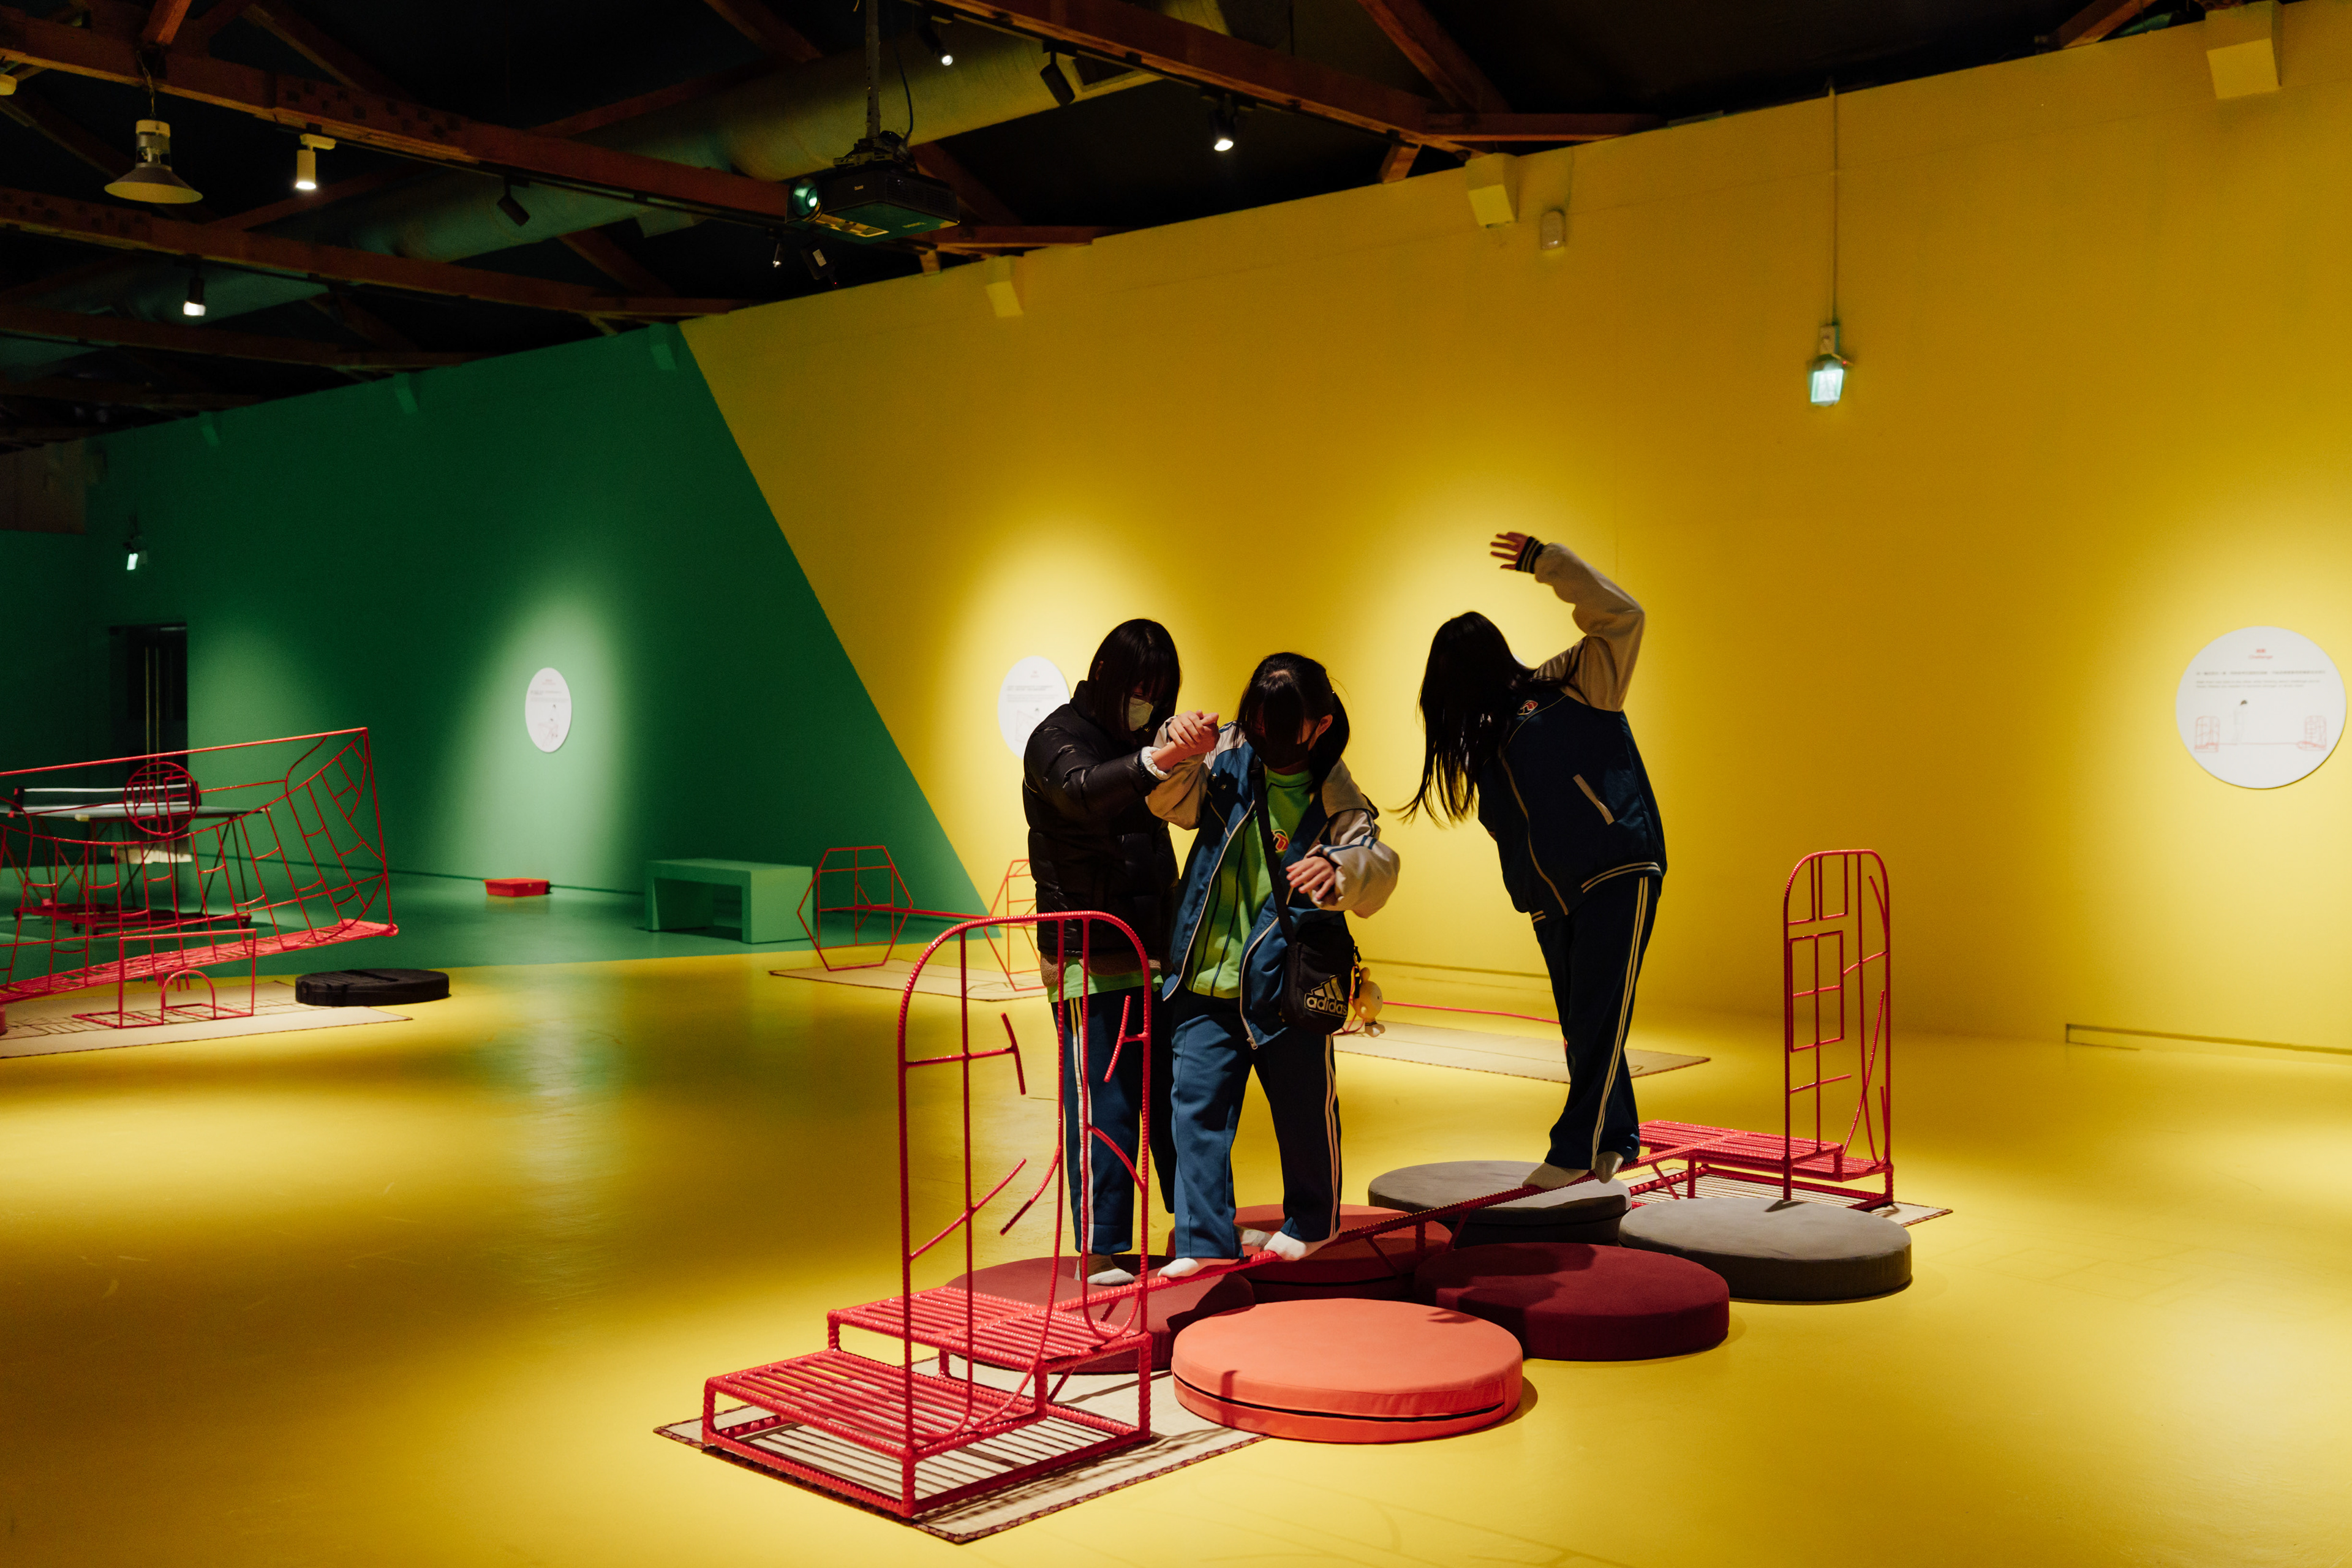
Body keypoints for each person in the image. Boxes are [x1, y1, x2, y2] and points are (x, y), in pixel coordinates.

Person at [1401, 532, 1666, 1191]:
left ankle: (1574, 1148)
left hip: (1616, 870)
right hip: (1553, 901)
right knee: (1584, 1024)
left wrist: (1547, 562)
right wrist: (1533, 899)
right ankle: (1616, 1136)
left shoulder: (1572, 684)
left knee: (1599, 1017)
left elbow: (1624, 617)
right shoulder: (1487, 743)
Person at [1147, 654, 1399, 1278]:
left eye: (1282, 728)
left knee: (1303, 1107)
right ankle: (1205, 1239)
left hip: (1286, 984)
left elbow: (1379, 865)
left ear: (1321, 725)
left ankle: (1313, 1221)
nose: (1266, 740)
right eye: (1257, 723)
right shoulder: (1227, 752)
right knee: (1193, 1110)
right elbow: (1172, 806)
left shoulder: (1339, 799)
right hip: (1202, 973)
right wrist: (1176, 745)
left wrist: (1341, 869)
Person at [1022, 620, 1219, 1286]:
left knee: (1176, 1097)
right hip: (1087, 952)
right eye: (1141, 688)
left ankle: (1196, 1227)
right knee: (1102, 1103)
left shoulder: (1145, 739)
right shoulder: (1055, 738)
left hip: (1155, 948)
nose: (1148, 702)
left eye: (1159, 693)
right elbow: (1081, 792)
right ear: (1107, 675)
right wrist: (1157, 758)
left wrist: (1187, 749)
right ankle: (1100, 1247)